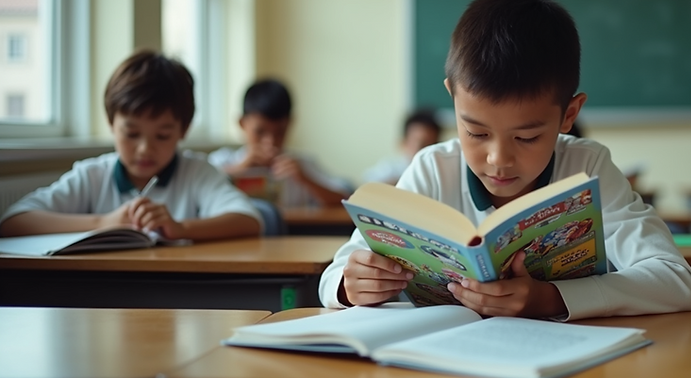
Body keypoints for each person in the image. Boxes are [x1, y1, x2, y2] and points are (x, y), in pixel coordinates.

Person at [320, 0, 691, 320]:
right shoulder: (432, 170)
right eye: (476, 132)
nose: (498, 159)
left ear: (569, 114)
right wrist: (349, 285)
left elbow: (677, 281)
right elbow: (333, 277)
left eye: (527, 137)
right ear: (453, 97)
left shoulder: (588, 168)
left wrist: (551, 299)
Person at [0, 50, 263, 240]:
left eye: (162, 136)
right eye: (131, 134)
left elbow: (249, 220)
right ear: (111, 124)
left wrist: (181, 228)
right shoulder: (92, 176)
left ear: (183, 130)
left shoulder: (196, 173)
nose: (144, 149)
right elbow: (12, 222)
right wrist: (103, 222)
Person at [209, 78, 352, 207]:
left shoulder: (302, 165)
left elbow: (345, 200)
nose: (270, 142)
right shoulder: (222, 161)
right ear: (241, 124)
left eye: (280, 132)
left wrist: (305, 179)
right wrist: (238, 169)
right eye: (260, 132)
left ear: (290, 124)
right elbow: (200, 190)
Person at [362, 108, 442, 185]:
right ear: (403, 143)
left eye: (432, 145)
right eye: (421, 145)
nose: (426, 151)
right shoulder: (390, 168)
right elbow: (366, 185)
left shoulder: (439, 171)